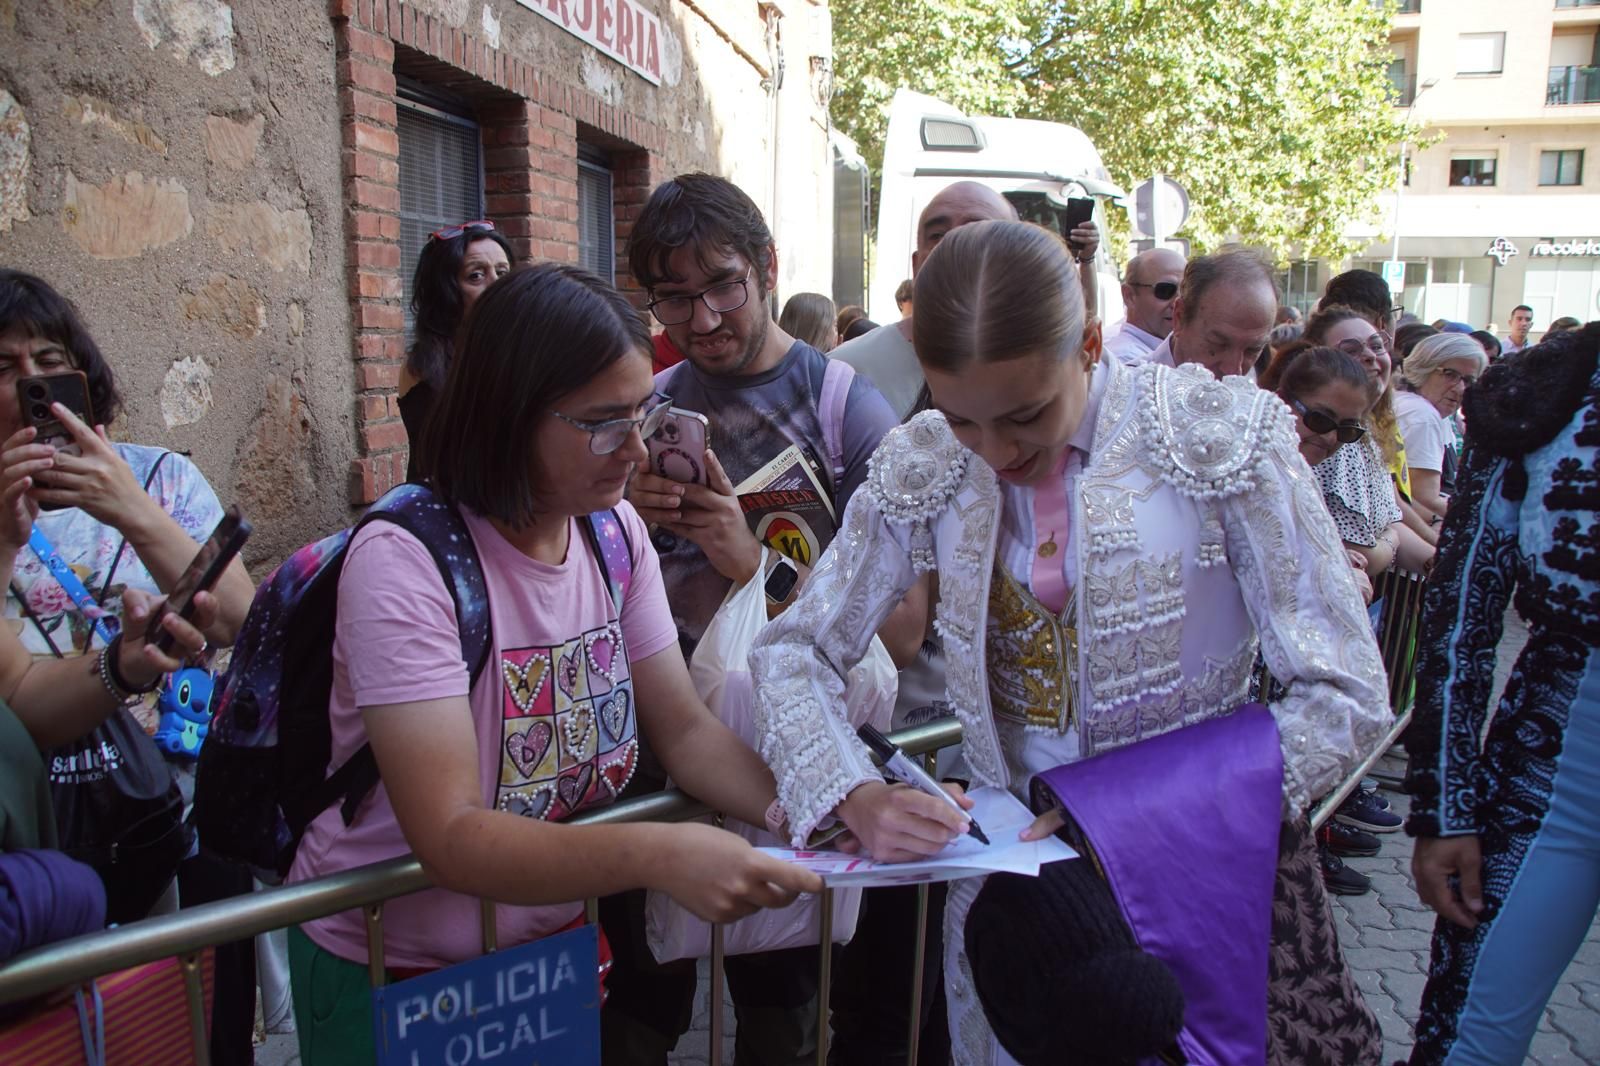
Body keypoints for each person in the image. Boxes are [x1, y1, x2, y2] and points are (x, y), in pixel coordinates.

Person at [751, 220, 1390, 1064]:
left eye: (1025, 415)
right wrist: (854, 795)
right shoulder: (931, 460)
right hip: (1016, 904)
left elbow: (1347, 693)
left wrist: (1134, 816)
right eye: (962, 418)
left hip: (1202, 868)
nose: (996, 452)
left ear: (1090, 345)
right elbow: (792, 651)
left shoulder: (1217, 435)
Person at [285, 263, 821, 1065]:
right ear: (509, 414)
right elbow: (450, 832)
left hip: (544, 953)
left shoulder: (612, 534)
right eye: (603, 423)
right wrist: (663, 854)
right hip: (392, 969)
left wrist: (825, 809)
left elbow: (685, 732)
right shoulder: (407, 561)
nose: (635, 449)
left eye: (642, 414)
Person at [615, 172, 915, 1066]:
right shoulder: (646, 407)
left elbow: (902, 628)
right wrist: (619, 512)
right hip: (653, 758)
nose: (702, 318)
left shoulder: (846, 409)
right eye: (674, 296)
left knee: (780, 1005)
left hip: (787, 753)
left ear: (768, 267)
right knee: (638, 1003)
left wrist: (754, 566)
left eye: (723, 286)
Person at [1405, 322, 1600, 1065]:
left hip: (1558, 755)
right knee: (1470, 1042)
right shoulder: (1547, 390)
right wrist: (1446, 807)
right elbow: (1461, 618)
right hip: (1560, 770)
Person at [0, 272, 256, 656]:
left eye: (49, 361)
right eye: (3, 368)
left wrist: (130, 507)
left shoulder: (162, 476)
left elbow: (238, 622)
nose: (32, 382)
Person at [833, 181, 1020, 420]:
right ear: (916, 265)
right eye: (937, 235)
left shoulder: (1048, 372)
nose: (952, 245)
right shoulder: (842, 374)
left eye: (976, 231)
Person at [1301, 305, 1434, 579]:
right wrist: (1391, 539)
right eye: (1351, 350)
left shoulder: (1366, 428)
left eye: (1377, 346)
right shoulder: (1330, 440)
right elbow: (1360, 557)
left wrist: (1442, 563)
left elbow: (1391, 517)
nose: (1371, 356)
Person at [398, 219, 514, 480]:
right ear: (447, 291)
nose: (496, 284)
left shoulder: (522, 352)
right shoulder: (425, 366)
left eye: (502, 272)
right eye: (476, 276)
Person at [1394, 334, 1486, 525]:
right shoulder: (1422, 415)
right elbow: (1424, 500)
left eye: (1468, 380)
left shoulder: (1426, 408)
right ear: (1423, 368)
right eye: (1450, 374)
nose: (1460, 388)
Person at [1147, 247, 1278, 378]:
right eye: (1218, 344)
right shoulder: (1136, 387)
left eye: (1252, 350)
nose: (1233, 371)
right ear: (1179, 317)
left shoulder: (1255, 384)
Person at [1103, 246, 1185, 364]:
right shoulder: (1124, 359)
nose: (1177, 303)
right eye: (1165, 290)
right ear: (1129, 296)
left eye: (1185, 291)